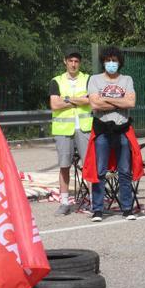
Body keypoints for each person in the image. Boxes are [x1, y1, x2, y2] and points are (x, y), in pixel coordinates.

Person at [87, 47, 137, 222]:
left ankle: (127, 208)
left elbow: (131, 102)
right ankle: (98, 210)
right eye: (108, 60)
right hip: (102, 129)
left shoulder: (127, 79)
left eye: (114, 60)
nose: (111, 64)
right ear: (103, 62)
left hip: (122, 129)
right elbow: (95, 105)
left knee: (124, 171)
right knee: (99, 171)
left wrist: (106, 100)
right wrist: (119, 103)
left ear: (119, 62)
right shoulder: (94, 79)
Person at [49, 47, 92, 216]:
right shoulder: (56, 81)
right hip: (63, 129)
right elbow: (54, 105)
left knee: (88, 166)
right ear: (65, 61)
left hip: (84, 127)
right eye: (70, 61)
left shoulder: (88, 79)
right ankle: (64, 202)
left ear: (79, 63)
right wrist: (79, 101)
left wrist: (66, 99)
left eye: (76, 61)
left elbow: (91, 100)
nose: (73, 64)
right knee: (64, 166)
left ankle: (94, 202)